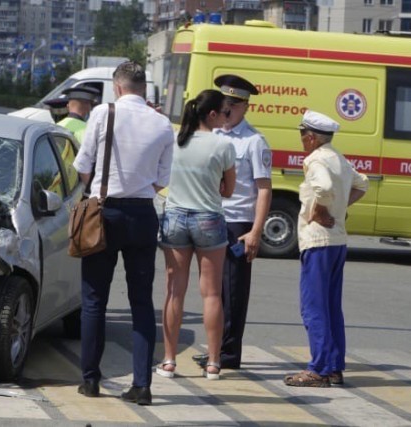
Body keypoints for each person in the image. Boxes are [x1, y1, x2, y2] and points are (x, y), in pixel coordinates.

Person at [72, 61, 174, 406]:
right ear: (143, 87)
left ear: (117, 87)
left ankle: (90, 381)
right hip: (144, 214)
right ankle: (142, 385)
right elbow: (162, 180)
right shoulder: (162, 123)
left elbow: (83, 168)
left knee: (94, 300)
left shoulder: (103, 114)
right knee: (142, 302)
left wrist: (104, 184)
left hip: (105, 211)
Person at [284, 110, 368, 388]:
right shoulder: (337, 157)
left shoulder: (316, 159)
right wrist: (339, 208)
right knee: (331, 307)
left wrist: (320, 210)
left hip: (318, 240)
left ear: (311, 137)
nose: (301, 139)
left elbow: (324, 187)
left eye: (302, 134)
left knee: (313, 307)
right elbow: (362, 184)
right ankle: (333, 367)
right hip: (336, 241)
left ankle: (319, 369)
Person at [193, 74, 272, 370]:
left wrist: (255, 231)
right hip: (211, 218)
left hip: (238, 222)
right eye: (224, 105)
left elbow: (264, 189)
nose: (227, 112)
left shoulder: (254, 142)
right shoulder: (213, 136)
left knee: (233, 291)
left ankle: (227, 353)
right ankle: (215, 349)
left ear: (245, 108)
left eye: (233, 107)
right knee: (212, 290)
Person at [156, 90, 236, 381]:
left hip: (175, 216)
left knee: (174, 291)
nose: (227, 118)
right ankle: (214, 363)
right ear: (212, 114)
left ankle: (168, 361)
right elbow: (228, 190)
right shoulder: (222, 145)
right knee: (212, 293)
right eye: (225, 113)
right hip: (209, 219)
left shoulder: (176, 140)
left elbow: (161, 176)